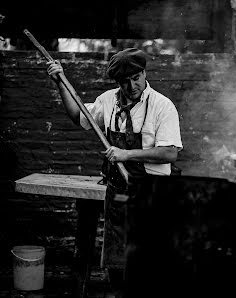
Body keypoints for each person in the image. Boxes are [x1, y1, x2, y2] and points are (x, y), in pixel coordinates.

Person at [47, 48, 183, 295]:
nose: (132, 86)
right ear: (117, 81)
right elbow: (78, 115)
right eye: (125, 81)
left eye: (136, 78)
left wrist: (126, 154)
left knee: (147, 257)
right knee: (116, 260)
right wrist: (60, 84)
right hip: (118, 194)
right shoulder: (108, 101)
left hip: (151, 193)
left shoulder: (163, 106)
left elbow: (170, 153)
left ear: (144, 73)